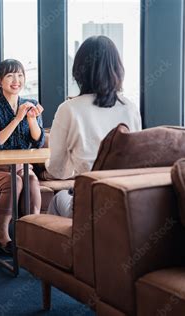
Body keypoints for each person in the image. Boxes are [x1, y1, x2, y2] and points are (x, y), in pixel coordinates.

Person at [45, 35, 142, 218]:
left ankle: (72, 246)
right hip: (127, 206)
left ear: (79, 70)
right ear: (117, 69)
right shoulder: (130, 108)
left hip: (89, 205)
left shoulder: (69, 109)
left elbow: (58, 170)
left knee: (58, 200)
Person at [0, 59, 45, 255]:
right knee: (14, 181)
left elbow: (38, 142)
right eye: (10, 76)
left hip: (22, 166)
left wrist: (31, 119)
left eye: (20, 75)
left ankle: (32, 234)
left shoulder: (30, 104)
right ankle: (2, 235)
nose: (16, 80)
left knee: (31, 180)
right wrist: (17, 119)